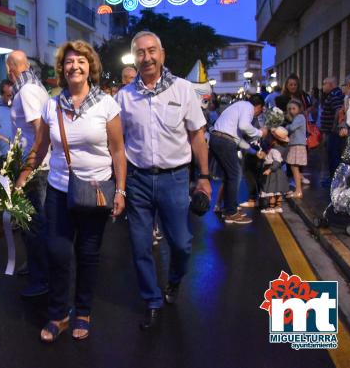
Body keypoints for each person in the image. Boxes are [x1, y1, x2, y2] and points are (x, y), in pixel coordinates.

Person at [17, 40, 126, 342]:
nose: (74, 66)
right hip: (59, 190)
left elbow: (118, 151)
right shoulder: (51, 104)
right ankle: (58, 314)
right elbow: (40, 148)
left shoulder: (107, 104)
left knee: (88, 254)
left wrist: (121, 190)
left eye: (81, 61)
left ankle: (83, 311)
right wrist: (23, 174)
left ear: (90, 67)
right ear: (62, 69)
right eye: (69, 62)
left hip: (97, 190)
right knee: (58, 252)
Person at [115, 31, 210, 330]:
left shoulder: (183, 90)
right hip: (138, 180)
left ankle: (174, 281)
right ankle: (151, 300)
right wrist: (119, 186)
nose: (147, 57)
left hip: (174, 179)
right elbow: (117, 144)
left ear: (162, 54)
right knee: (140, 244)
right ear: (135, 58)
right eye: (140, 53)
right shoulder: (124, 96)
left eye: (152, 51)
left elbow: (197, 136)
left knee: (181, 244)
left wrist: (204, 178)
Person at [5, 50, 50, 297]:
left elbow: (40, 131)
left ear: (10, 69)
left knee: (34, 225)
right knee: (30, 223)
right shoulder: (33, 86)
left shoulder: (28, 91)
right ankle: (35, 267)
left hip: (35, 169)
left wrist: (27, 168)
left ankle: (41, 279)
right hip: (32, 166)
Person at [210, 94, 268, 224]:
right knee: (235, 174)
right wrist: (260, 133)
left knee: (230, 175)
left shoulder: (238, 107)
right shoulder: (247, 107)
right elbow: (244, 126)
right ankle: (231, 212)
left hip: (218, 138)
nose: (256, 115)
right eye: (259, 111)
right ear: (258, 107)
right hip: (224, 141)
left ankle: (228, 209)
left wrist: (254, 152)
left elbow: (238, 139)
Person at [332, 66, 350, 215]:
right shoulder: (348, 99)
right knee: (349, 169)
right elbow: (344, 117)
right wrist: (343, 126)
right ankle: (349, 204)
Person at [259, 127, 290, 214]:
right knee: (278, 190)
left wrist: (270, 169)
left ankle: (271, 207)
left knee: (271, 190)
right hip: (279, 172)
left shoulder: (274, 150)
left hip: (273, 173)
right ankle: (278, 206)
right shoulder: (282, 148)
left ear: (274, 140)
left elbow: (276, 161)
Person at [320, 76, 345, 181]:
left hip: (333, 132)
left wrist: (334, 128)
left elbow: (338, 111)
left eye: (324, 84)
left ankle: (334, 179)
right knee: (333, 155)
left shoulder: (334, 95)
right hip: (332, 131)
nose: (323, 87)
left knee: (333, 155)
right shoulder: (336, 94)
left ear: (330, 84)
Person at [285, 100, 307, 198]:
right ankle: (298, 189)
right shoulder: (296, 118)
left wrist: (286, 126)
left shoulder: (300, 117)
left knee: (295, 168)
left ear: (299, 108)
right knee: (294, 168)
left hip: (297, 145)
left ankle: (298, 191)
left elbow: (292, 128)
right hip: (295, 144)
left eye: (294, 108)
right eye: (290, 109)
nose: (291, 111)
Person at [0, 79, 13, 156]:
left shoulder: (20, 107)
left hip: (21, 154)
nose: (12, 98)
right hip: (3, 156)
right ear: (1, 94)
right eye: (9, 95)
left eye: (14, 94)